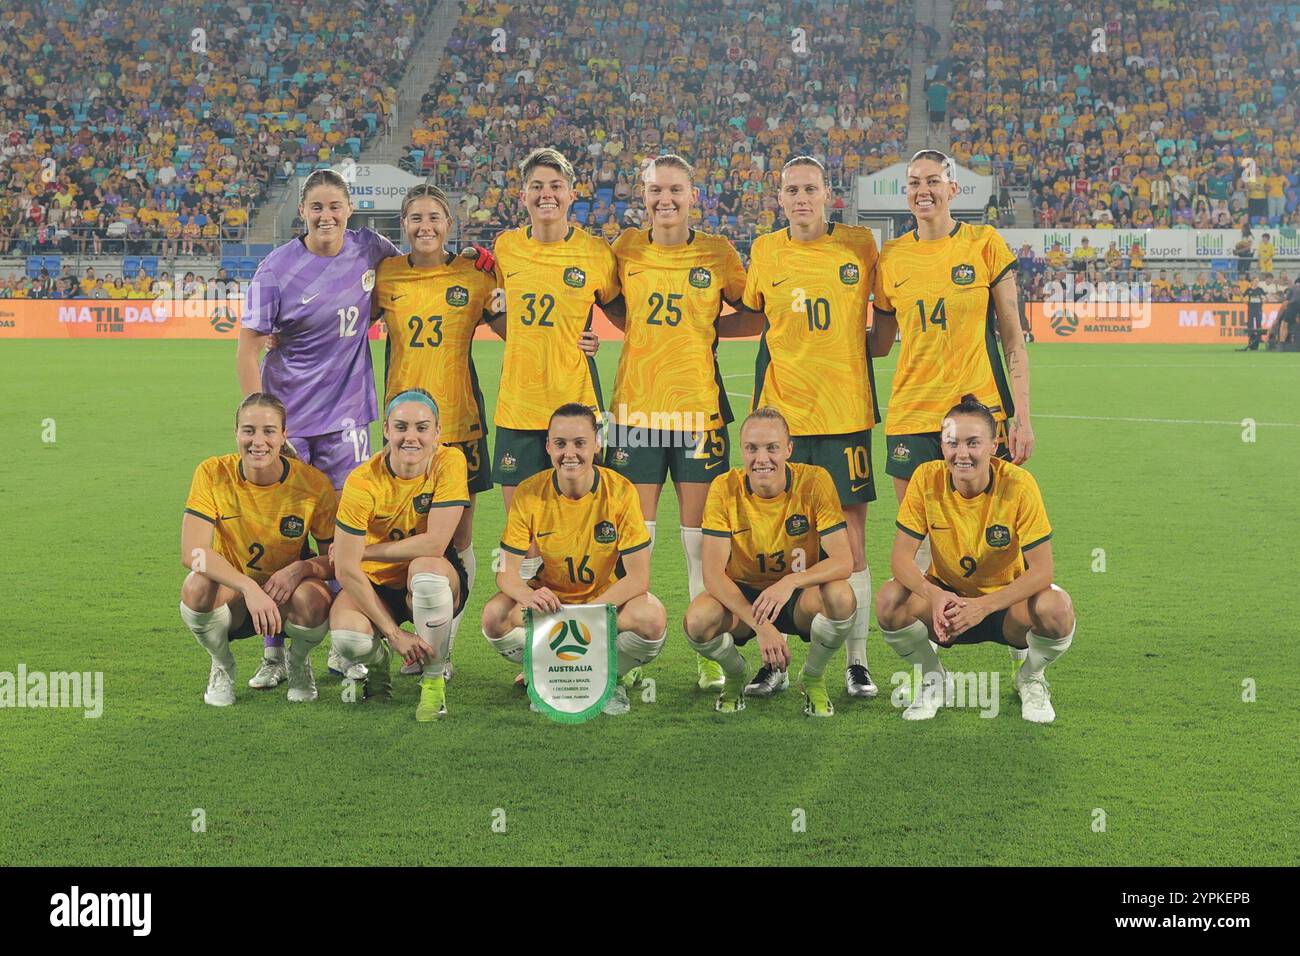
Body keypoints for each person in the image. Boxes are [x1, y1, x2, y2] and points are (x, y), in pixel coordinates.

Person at [235, 168, 401, 684]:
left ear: (350, 209)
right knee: (282, 534)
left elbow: (418, 271)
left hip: (348, 416)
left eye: (335, 206)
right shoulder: (276, 270)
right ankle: (273, 649)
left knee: (348, 532)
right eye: (316, 207)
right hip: (290, 423)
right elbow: (248, 347)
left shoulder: (370, 249)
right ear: (302, 213)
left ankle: (340, 636)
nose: (326, 215)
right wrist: (263, 425)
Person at [604, 154, 753, 693]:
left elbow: (755, 311)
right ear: (641, 195)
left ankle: (707, 651)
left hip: (698, 411)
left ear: (695, 196)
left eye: (675, 190)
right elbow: (613, 307)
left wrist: (706, 328)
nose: (664, 200)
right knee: (631, 542)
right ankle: (620, 658)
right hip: (633, 414)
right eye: (654, 191)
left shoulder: (717, 252)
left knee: (700, 544)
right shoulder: (624, 247)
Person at [738, 154, 883, 701]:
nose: (801, 199)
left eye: (811, 189)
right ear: (780, 198)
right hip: (782, 423)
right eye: (792, 190)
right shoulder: (765, 250)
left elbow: (888, 314)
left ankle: (857, 662)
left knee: (851, 540)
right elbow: (756, 315)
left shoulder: (860, 246)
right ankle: (772, 657)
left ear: (829, 194)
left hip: (845, 417)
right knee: (770, 542)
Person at [871, 149, 1033, 582]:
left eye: (933, 181)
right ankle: (929, 645)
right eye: (915, 183)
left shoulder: (984, 244)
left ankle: (1014, 637)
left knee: (995, 535)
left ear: (952, 189)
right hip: (911, 415)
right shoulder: (890, 258)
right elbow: (880, 344)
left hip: (979, 413)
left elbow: (1014, 341)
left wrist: (1022, 418)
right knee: (919, 546)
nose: (923, 191)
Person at [373, 184, 505, 678]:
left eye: (434, 217)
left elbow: (515, 327)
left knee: (458, 544)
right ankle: (398, 634)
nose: (424, 226)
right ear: (402, 225)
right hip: (402, 433)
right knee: (403, 537)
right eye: (414, 218)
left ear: (450, 223)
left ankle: (443, 649)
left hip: (459, 426)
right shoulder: (386, 275)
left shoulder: (474, 273)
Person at [876, 396, 1075, 723]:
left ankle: (1031, 677)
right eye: (953, 443)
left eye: (973, 443)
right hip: (947, 606)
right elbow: (900, 560)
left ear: (994, 445)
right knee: (889, 601)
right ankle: (934, 677)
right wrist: (936, 595)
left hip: (1006, 606)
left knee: (1057, 608)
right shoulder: (926, 478)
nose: (962, 453)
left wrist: (983, 607)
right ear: (942, 445)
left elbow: (1042, 571)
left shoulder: (1020, 485)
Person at [490, 148, 617, 631]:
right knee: (526, 541)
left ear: (571, 193)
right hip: (518, 409)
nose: (546, 194)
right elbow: (490, 308)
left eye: (555, 186)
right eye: (537, 187)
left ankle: (593, 642)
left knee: (584, 534)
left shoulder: (596, 253)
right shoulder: (504, 249)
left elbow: (621, 308)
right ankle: (537, 650)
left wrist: (593, 338)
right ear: (523, 195)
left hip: (576, 409)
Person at [481, 403, 666, 716]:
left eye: (580, 443)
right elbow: (506, 573)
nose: (570, 453)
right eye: (560, 444)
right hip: (550, 604)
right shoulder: (529, 493)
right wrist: (530, 595)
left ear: (596, 444)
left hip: (601, 602)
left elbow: (638, 577)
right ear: (548, 446)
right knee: (494, 616)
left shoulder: (620, 492)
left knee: (651, 618)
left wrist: (588, 613)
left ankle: (609, 676)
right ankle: (543, 667)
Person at [684, 407, 857, 715]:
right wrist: (759, 623)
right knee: (697, 621)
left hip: (796, 598)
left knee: (841, 596)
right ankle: (736, 674)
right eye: (751, 448)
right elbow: (712, 574)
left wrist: (789, 583)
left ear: (788, 449)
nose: (761, 459)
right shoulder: (724, 487)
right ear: (742, 450)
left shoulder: (815, 481)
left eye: (771, 448)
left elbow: (844, 561)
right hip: (744, 598)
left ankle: (813, 677)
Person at [179, 394, 336, 706]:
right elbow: (193, 553)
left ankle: (297, 660)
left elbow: (336, 560)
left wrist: (302, 568)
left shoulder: (313, 485)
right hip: (236, 597)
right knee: (196, 586)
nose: (258, 441)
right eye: (249, 430)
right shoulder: (212, 474)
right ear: (236, 433)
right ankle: (222, 665)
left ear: (283, 435)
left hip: (285, 599)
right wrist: (248, 586)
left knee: (315, 599)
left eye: (269, 431)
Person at [328, 390, 471, 722]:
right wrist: (393, 635)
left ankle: (433, 684)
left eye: (422, 428)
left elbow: (435, 544)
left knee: (426, 573)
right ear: (387, 431)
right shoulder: (362, 482)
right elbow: (346, 569)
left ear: (437, 433)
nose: (412, 437)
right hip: (376, 583)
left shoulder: (450, 462)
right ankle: (378, 667)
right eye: (402, 427)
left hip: (431, 576)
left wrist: (366, 550)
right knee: (348, 638)